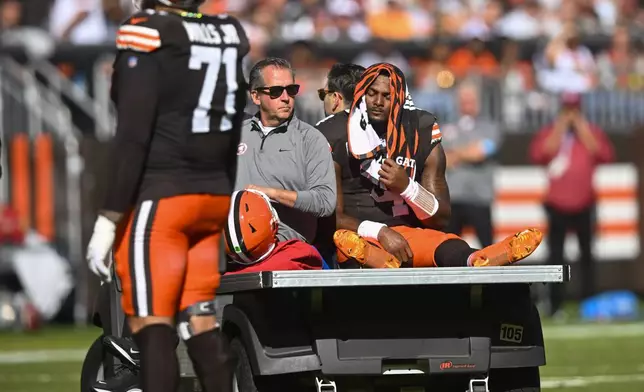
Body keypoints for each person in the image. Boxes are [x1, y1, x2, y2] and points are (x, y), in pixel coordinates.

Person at [85, 1, 249, 392]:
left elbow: (132, 135)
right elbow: (233, 122)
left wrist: (109, 217)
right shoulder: (227, 32)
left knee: (152, 325)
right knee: (201, 324)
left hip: (163, 198)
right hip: (210, 196)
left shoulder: (149, 31)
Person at [318, 63, 543, 269]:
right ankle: (376, 257)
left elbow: (441, 215)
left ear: (399, 98)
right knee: (349, 245)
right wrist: (379, 231)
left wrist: (407, 188)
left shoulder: (420, 128)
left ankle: (479, 259)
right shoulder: (334, 132)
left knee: (446, 244)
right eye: (372, 93)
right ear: (361, 92)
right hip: (356, 234)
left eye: (387, 96)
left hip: (408, 235)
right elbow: (330, 214)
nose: (378, 102)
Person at [235, 57, 336, 248]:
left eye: (291, 90)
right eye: (275, 91)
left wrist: (270, 193)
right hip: (232, 248)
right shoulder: (234, 135)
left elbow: (325, 201)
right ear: (255, 96)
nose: (285, 97)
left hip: (285, 249)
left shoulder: (310, 139)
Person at [529, 92, 614, 317]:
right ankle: (556, 304)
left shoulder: (590, 132)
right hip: (556, 205)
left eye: (574, 110)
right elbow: (540, 153)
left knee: (587, 256)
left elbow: (604, 154)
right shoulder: (551, 132)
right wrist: (560, 127)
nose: (571, 115)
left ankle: (591, 304)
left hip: (585, 203)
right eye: (567, 110)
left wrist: (581, 128)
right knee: (556, 257)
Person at [443, 82, 502, 248]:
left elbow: (480, 153)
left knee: (488, 249)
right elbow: (441, 158)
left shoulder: (491, 127)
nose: (467, 102)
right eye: (463, 98)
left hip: (479, 197)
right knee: (448, 249)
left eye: (470, 98)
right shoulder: (447, 127)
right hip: (453, 197)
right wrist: (466, 152)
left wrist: (455, 153)